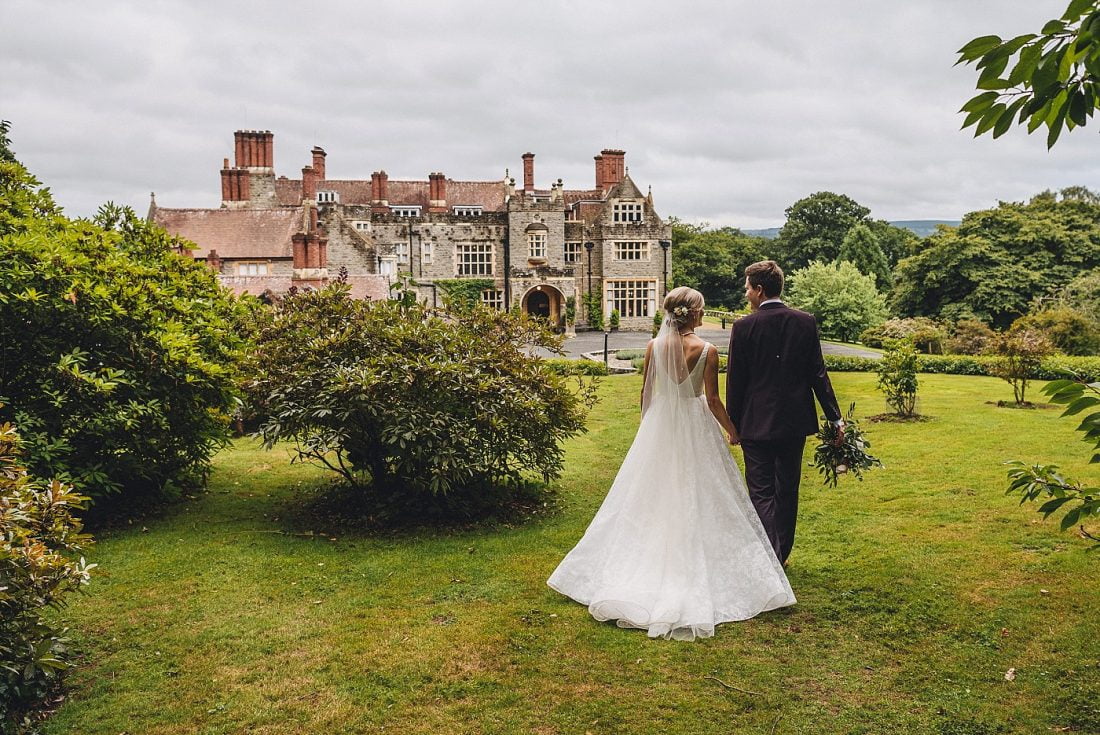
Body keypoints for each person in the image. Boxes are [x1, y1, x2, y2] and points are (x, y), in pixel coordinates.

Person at [547, 287, 795, 641]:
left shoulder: (653, 347)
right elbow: (711, 399)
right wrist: (733, 431)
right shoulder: (707, 350)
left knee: (651, 494)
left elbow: (646, 395)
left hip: (660, 424)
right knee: (704, 491)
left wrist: (650, 428)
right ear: (694, 314)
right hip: (695, 425)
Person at [726, 260, 843, 566]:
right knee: (788, 489)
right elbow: (819, 374)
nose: (746, 292)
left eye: (748, 287)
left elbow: (735, 380)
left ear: (759, 290)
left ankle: (771, 557)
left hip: (755, 423)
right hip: (794, 422)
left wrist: (733, 424)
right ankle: (781, 554)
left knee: (761, 491)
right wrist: (835, 418)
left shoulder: (743, 326)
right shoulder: (804, 321)